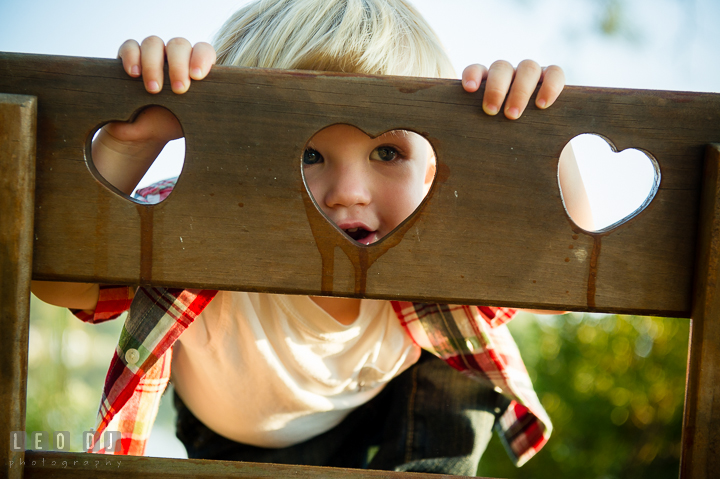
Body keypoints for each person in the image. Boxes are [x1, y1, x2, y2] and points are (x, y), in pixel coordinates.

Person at [32, 0, 591, 475]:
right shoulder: (205, 235)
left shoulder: (436, 253)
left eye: (388, 153)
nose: (348, 193)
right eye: (308, 154)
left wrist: (548, 147)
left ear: (433, 171)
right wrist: (129, 147)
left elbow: (561, 287)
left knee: (456, 346)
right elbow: (59, 285)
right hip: (239, 439)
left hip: (375, 405)